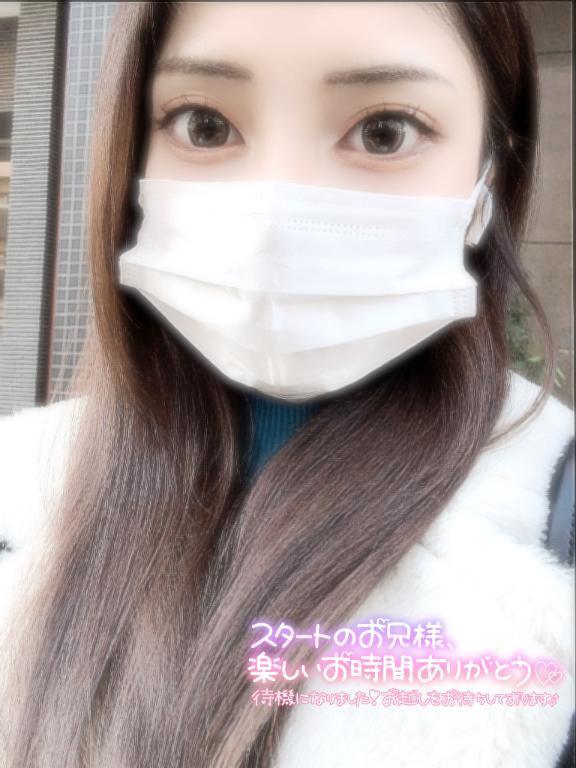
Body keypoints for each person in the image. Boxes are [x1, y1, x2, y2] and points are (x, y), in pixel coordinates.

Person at [0, 2, 574, 766]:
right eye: (204, 124)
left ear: (488, 175)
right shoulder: (17, 484)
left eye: (385, 131)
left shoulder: (556, 512)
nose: (274, 216)